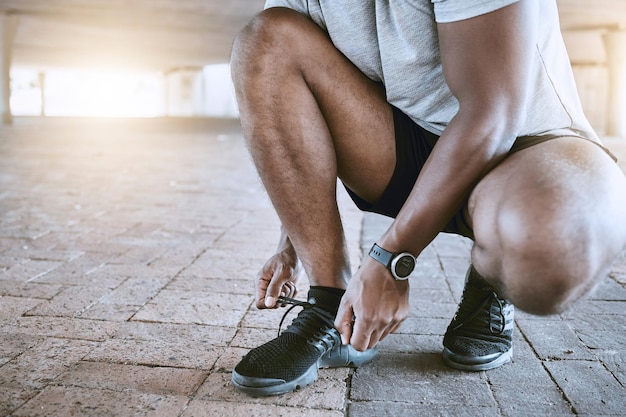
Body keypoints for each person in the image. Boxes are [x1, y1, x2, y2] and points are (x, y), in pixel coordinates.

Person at [228, 0, 626, 397]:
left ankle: (493, 277)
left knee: (550, 244)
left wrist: (390, 261)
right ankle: (330, 306)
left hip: (522, 145)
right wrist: (292, 244)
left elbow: (494, 114)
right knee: (267, 40)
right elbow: (293, 114)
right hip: (401, 140)